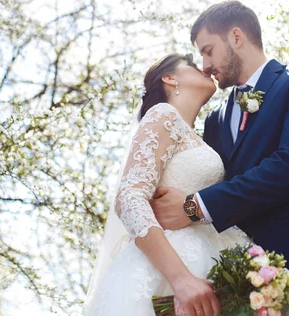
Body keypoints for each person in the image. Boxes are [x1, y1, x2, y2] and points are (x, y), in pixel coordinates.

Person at [151, 0, 289, 316]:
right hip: (241, 289)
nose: (205, 65)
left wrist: (193, 206)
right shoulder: (213, 122)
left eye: (208, 50)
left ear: (236, 37)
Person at [82, 54, 247, 316]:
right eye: (193, 65)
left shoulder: (199, 136)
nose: (205, 67)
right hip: (171, 272)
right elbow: (130, 198)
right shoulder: (163, 115)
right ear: (170, 78)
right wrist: (181, 279)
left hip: (212, 257)